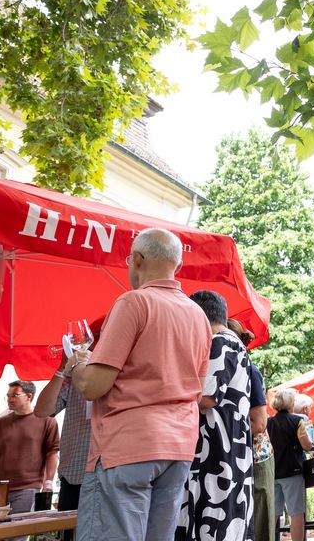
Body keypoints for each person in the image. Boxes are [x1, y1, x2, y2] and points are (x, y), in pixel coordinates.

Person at [70, 227, 212, 541]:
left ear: (137, 259)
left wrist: (77, 364)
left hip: (128, 444)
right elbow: (198, 389)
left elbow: (93, 386)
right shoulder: (198, 315)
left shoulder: (134, 302)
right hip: (178, 447)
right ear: (178, 265)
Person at [177, 290, 254, 541]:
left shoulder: (220, 342)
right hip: (229, 448)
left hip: (215, 450)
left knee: (211, 524)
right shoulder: (234, 343)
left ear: (198, 316)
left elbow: (207, 397)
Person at [35, 334, 99, 540]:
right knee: (69, 535)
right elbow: (42, 411)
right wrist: (62, 367)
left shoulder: (125, 374)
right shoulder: (72, 379)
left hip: (108, 474)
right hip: (74, 473)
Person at [227, 319, 275, 541]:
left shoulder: (249, 370)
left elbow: (259, 423)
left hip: (256, 458)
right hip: (242, 456)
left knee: (259, 520)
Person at [0, 380, 59, 531]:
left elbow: (52, 452)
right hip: (1, 488)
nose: (10, 399)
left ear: (29, 396)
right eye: (8, 396)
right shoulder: (1, 423)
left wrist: (48, 483)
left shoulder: (47, 421)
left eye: (15, 395)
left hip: (27, 488)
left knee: (17, 534)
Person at [267, 389, 313, 541]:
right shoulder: (297, 421)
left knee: (273, 514)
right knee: (296, 513)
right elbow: (306, 445)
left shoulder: (268, 423)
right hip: (292, 472)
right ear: (290, 404)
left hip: (273, 472)